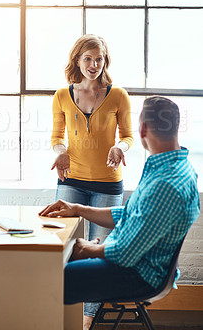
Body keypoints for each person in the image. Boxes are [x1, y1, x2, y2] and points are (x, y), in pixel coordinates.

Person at [41, 96, 200, 330]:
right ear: (176, 126)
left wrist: (87, 249)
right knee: (58, 264)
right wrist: (79, 209)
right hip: (139, 264)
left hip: (137, 275)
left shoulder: (164, 184)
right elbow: (131, 214)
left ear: (143, 128)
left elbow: (125, 253)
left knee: (48, 278)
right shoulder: (175, 167)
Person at [51, 34, 133, 243]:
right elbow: (57, 137)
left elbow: (128, 136)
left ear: (105, 61)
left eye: (99, 59)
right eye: (87, 58)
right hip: (70, 181)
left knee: (101, 251)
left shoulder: (118, 95)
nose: (93, 64)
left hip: (107, 183)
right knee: (64, 246)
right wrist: (61, 152)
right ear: (77, 60)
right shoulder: (61, 95)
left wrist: (119, 148)